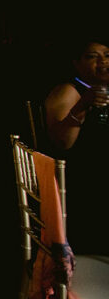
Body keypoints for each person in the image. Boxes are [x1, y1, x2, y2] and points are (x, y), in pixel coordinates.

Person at [44, 37, 109, 254]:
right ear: (76, 63)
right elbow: (62, 143)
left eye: (107, 55)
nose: (103, 62)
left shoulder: (101, 90)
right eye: (92, 57)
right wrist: (83, 105)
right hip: (83, 186)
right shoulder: (69, 91)